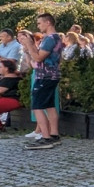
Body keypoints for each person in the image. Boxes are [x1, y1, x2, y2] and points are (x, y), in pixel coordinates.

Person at [19, 13, 64, 149]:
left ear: (48, 22)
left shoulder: (51, 38)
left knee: (37, 106)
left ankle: (46, 137)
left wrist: (30, 44)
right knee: (50, 106)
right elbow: (35, 60)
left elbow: (38, 58)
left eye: (39, 23)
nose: (38, 26)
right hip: (49, 75)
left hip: (45, 76)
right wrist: (29, 49)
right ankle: (54, 134)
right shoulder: (52, 38)